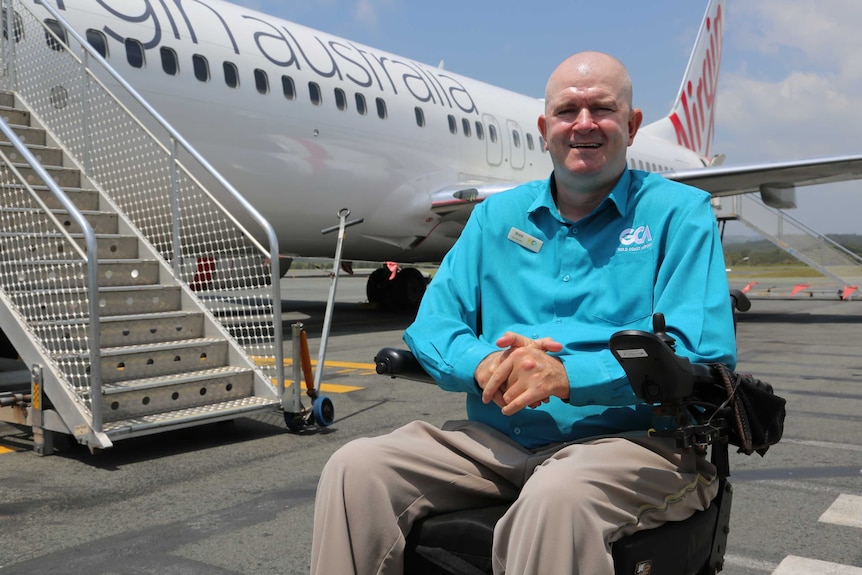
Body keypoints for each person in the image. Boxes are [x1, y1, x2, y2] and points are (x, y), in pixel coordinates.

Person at [310, 51, 736, 575]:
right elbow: (434, 323)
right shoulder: (496, 217)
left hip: (636, 445)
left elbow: (700, 353)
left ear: (631, 125)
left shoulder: (679, 213)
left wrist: (566, 376)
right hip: (499, 443)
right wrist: (482, 363)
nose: (583, 123)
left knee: (558, 498)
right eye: (567, 111)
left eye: (601, 109)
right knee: (355, 469)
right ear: (544, 127)